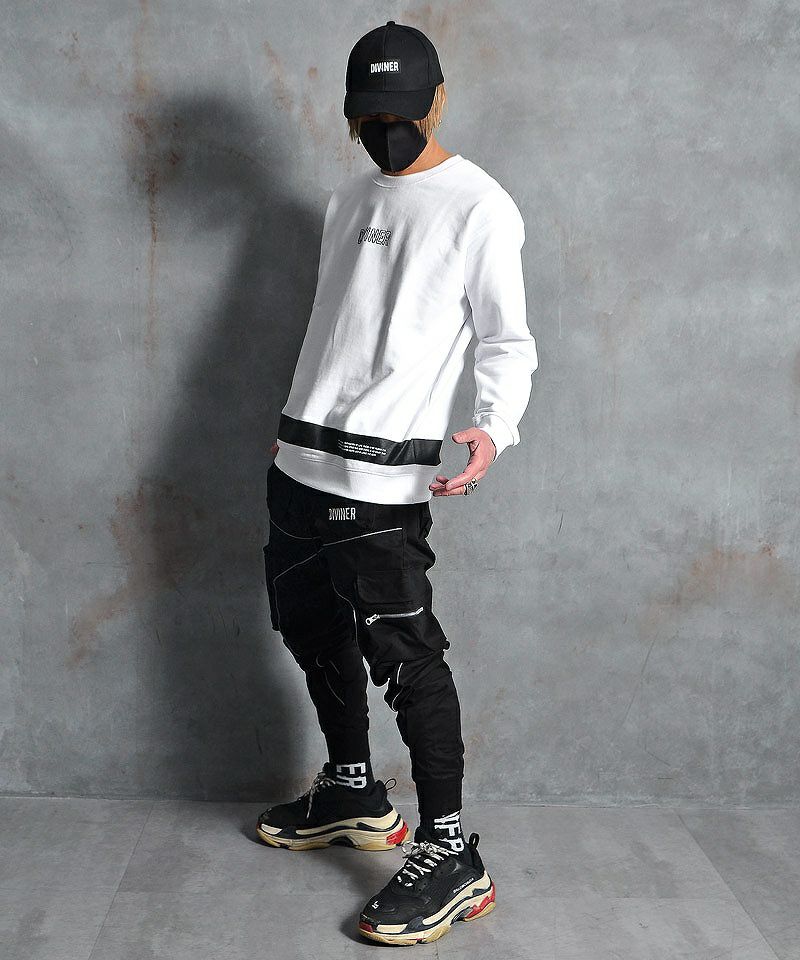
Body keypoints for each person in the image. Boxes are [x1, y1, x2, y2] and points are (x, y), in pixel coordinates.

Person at [256, 20, 538, 946]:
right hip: (299, 460)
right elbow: (341, 324)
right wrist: (294, 422)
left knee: (407, 660)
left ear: (438, 101)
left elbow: (506, 340)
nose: (386, 129)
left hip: (379, 481)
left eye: (401, 111)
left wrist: (493, 428)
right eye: (368, 115)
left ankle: (452, 853)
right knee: (309, 628)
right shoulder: (349, 198)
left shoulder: (479, 207)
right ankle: (353, 791)